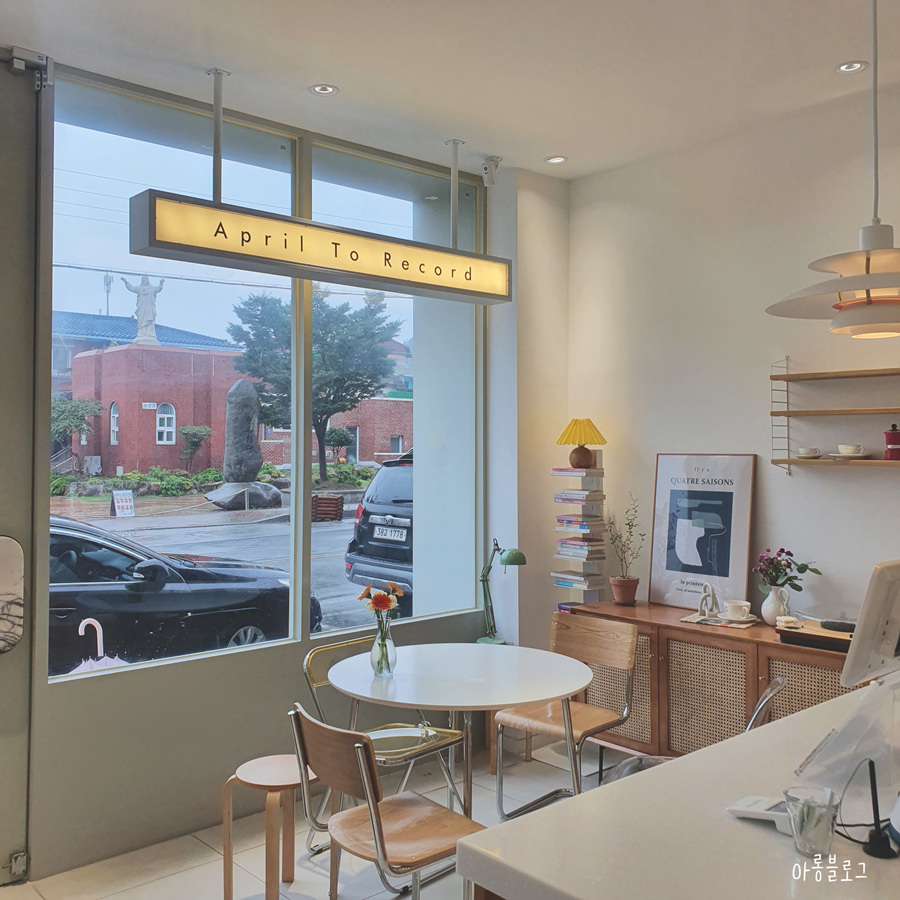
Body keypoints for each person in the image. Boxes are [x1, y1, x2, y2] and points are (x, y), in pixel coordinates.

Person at [121, 275, 164, 344]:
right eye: (143, 279)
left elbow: (158, 289)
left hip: (149, 308)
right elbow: (132, 288)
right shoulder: (139, 288)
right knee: (141, 319)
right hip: (141, 307)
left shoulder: (152, 288)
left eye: (145, 279)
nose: (144, 280)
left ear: (148, 280)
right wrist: (126, 282)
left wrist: (161, 284)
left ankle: (150, 334)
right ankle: (142, 333)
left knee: (149, 320)